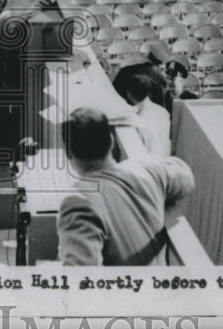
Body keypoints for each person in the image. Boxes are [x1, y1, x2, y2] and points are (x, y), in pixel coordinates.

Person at [57, 108, 195, 266]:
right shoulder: (147, 168)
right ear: (111, 141)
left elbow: (80, 281)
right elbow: (186, 178)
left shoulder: (78, 201)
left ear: (68, 153)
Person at [113, 67, 171, 158]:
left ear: (129, 94)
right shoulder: (164, 113)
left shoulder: (134, 120)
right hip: (164, 165)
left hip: (146, 168)